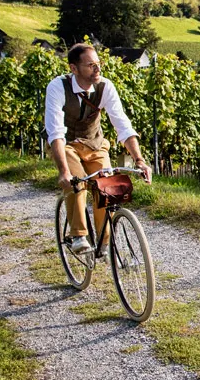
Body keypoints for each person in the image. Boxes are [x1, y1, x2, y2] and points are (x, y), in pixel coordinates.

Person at [44, 43, 152, 254]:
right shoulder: (57, 87)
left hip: (95, 143)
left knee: (107, 187)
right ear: (74, 69)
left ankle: (104, 240)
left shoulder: (105, 87)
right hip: (67, 144)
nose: (97, 69)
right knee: (77, 182)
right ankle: (79, 235)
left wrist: (139, 159)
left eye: (98, 64)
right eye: (90, 65)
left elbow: (122, 125)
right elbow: (56, 132)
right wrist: (64, 172)